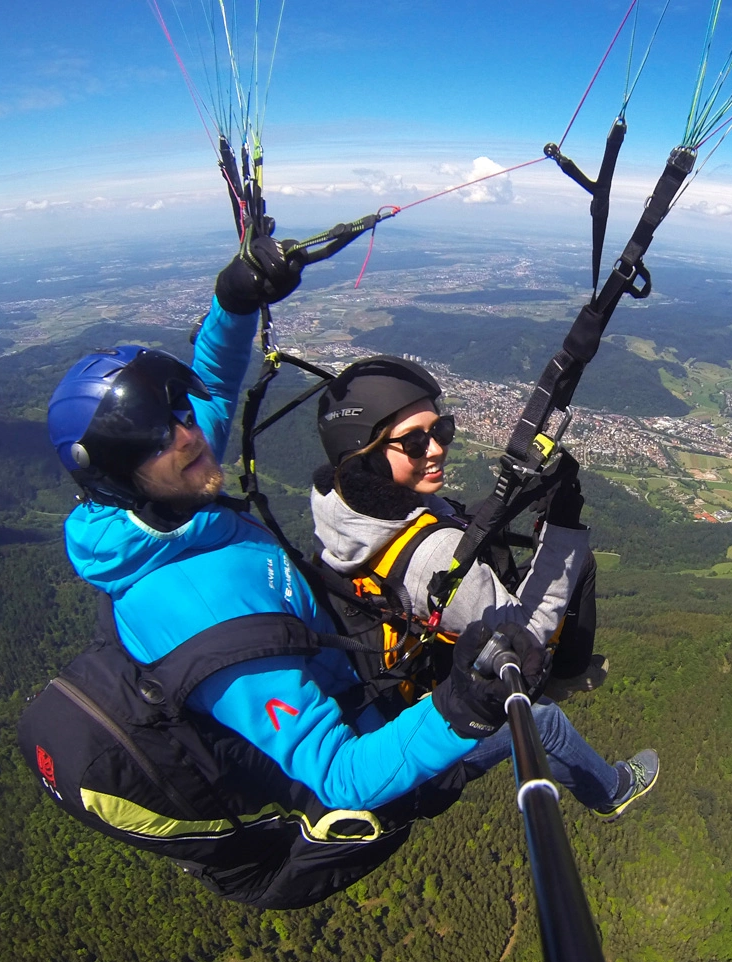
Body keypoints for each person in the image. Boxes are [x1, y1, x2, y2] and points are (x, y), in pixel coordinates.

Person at [43, 238, 550, 909]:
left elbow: (215, 390)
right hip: (361, 743)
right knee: (541, 723)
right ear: (117, 472)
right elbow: (341, 775)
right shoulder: (204, 615)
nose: (188, 434)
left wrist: (233, 303)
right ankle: (609, 789)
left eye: (175, 412)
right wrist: (458, 709)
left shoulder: (158, 507)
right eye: (160, 435)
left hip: (324, 649)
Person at [309, 356, 657, 819]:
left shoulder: (341, 508)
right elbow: (526, 640)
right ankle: (611, 792)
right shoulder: (434, 557)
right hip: (411, 747)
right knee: (542, 719)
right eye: (414, 442)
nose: (435, 449)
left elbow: (434, 528)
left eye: (442, 430)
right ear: (365, 452)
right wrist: (563, 529)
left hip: (374, 696)